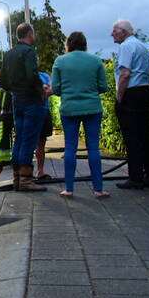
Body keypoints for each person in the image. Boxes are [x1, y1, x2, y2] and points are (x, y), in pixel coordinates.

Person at [52, 31, 109, 198]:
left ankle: (69, 189)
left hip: (69, 109)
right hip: (93, 109)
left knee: (70, 147)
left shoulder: (60, 61)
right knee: (93, 147)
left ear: (68, 44)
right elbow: (103, 87)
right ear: (85, 44)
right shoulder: (96, 61)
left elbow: (56, 89)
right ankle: (98, 189)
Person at [0, 23, 47, 191]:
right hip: (31, 101)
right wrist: (41, 91)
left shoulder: (9, 54)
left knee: (19, 138)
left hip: (17, 101)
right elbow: (32, 75)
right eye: (33, 33)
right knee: (29, 139)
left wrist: (13, 90)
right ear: (29, 34)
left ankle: (17, 178)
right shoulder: (29, 52)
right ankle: (26, 180)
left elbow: (2, 81)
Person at [111, 19, 149, 190]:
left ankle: (135, 177)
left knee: (132, 136)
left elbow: (125, 74)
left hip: (132, 93)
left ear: (123, 31)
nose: (112, 34)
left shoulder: (126, 46)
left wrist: (119, 97)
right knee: (144, 135)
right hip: (144, 91)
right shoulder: (141, 46)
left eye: (115, 30)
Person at [34, 72, 54, 183]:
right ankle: (24, 174)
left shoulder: (44, 75)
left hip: (43, 111)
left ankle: (40, 171)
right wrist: (43, 89)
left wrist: (44, 89)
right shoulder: (25, 73)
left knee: (41, 143)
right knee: (27, 142)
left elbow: (52, 89)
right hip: (31, 112)